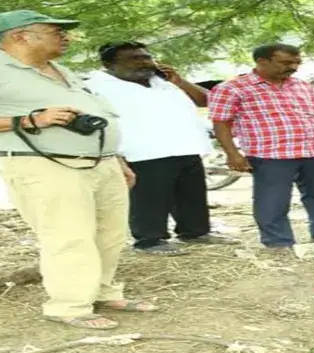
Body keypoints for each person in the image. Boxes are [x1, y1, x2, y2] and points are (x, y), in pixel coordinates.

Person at [0, 10, 151, 330]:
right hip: (44, 164)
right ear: (20, 36)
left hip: (100, 163)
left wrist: (116, 158)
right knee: (68, 235)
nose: (65, 37)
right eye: (55, 31)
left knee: (110, 233)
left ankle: (101, 291)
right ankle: (69, 305)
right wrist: (27, 121)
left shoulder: (60, 70)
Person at [86, 41, 238, 255]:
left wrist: (180, 81)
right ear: (109, 64)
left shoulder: (164, 81)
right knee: (149, 198)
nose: (143, 62)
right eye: (134, 58)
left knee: (191, 194)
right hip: (141, 151)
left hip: (185, 145)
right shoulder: (95, 87)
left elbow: (208, 100)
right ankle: (149, 240)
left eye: (146, 57)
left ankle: (194, 232)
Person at [207, 43, 314, 254]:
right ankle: (278, 243)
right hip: (271, 156)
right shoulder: (231, 88)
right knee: (272, 202)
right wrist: (233, 153)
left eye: (296, 63)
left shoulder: (302, 86)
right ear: (262, 62)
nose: (293, 67)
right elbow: (221, 123)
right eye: (286, 62)